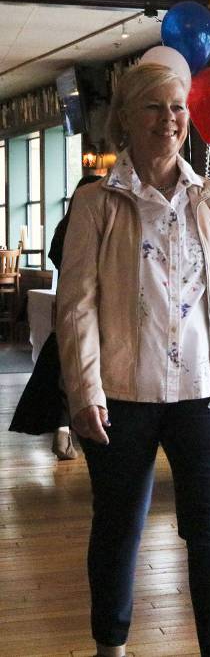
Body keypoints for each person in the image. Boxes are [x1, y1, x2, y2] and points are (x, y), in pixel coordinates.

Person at [56, 63, 210, 657]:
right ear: (124, 118)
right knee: (119, 525)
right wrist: (84, 390)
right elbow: (75, 306)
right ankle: (112, 642)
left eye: (177, 107)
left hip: (208, 393)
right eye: (153, 107)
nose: (169, 119)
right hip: (122, 397)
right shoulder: (97, 203)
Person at [9, 174, 102, 460]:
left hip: (68, 304)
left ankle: (66, 431)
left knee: (63, 363)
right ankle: (68, 432)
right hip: (93, 307)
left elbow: (57, 257)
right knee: (69, 366)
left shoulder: (66, 226)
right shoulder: (90, 224)